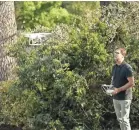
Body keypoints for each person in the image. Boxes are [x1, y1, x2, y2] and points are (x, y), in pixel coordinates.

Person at [111, 47, 134, 130]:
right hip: (115, 97)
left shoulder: (127, 68)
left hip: (125, 98)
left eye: (117, 53)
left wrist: (118, 90)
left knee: (124, 120)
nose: (115, 55)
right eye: (115, 53)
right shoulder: (114, 67)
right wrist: (110, 88)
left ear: (122, 55)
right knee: (120, 119)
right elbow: (113, 81)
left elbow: (131, 83)